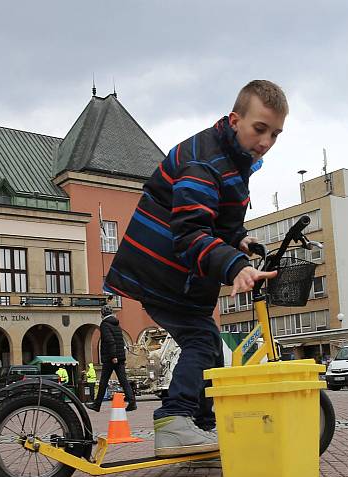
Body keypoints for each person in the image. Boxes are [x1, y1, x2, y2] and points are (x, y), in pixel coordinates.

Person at [104, 80, 286, 456]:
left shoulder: (231, 159)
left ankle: (200, 429)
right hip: (161, 274)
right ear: (236, 120)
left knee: (208, 348)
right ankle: (175, 422)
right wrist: (234, 266)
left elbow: (214, 215)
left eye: (275, 133)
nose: (266, 142)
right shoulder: (205, 162)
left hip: (172, 276)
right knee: (202, 342)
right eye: (260, 129)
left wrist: (239, 240)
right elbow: (189, 231)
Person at [88, 305, 136, 412]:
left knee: (103, 381)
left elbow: (110, 341)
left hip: (110, 358)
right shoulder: (116, 324)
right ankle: (132, 401)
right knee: (123, 380)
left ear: (102, 314)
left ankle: (97, 405)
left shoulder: (105, 325)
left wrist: (113, 356)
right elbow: (119, 340)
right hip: (120, 357)